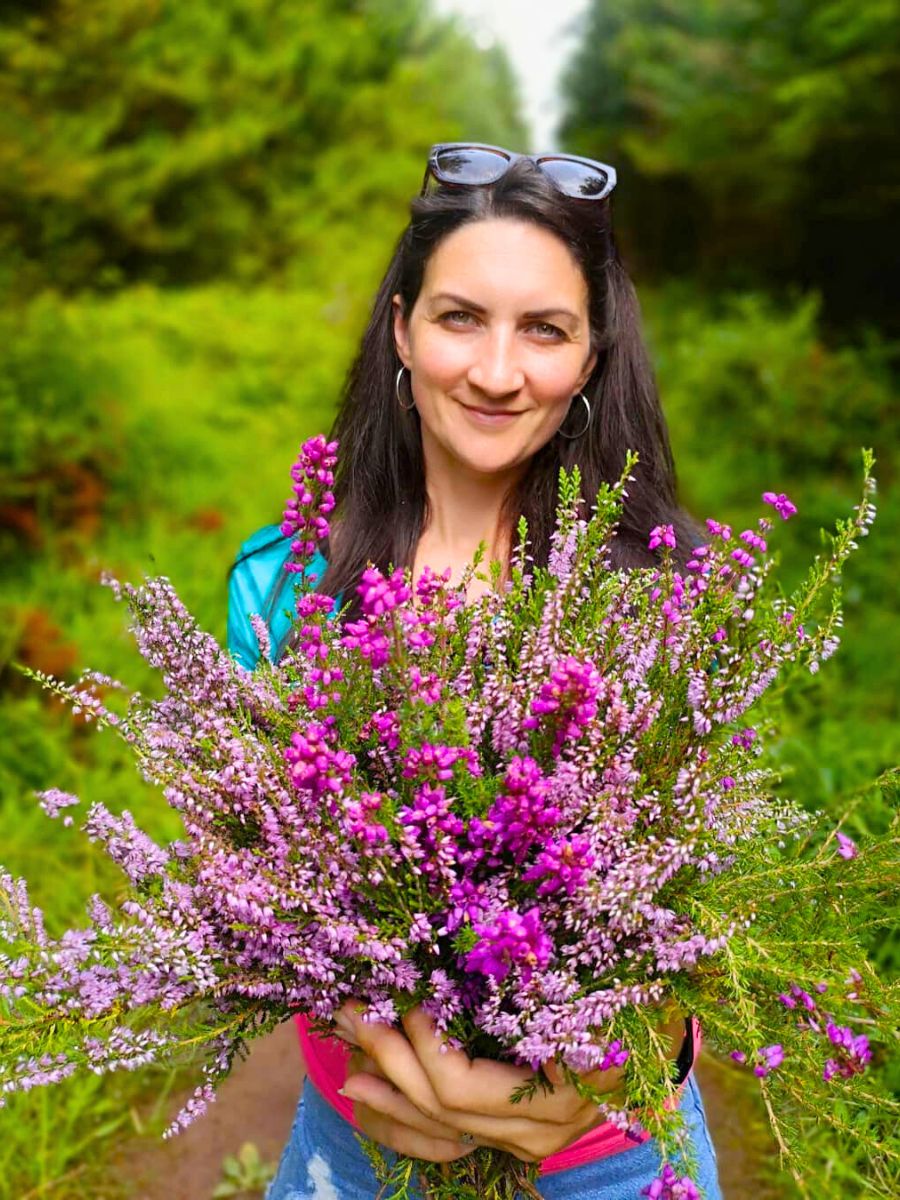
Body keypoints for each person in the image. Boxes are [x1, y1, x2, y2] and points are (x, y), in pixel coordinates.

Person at [227, 142, 723, 1199]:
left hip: (612, 1154)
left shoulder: (659, 594)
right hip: (365, 1146)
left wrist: (586, 1092)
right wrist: (397, 1041)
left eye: (545, 329)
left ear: (592, 357)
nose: (498, 372)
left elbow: (692, 913)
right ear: (401, 326)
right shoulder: (285, 593)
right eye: (460, 317)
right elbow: (255, 891)